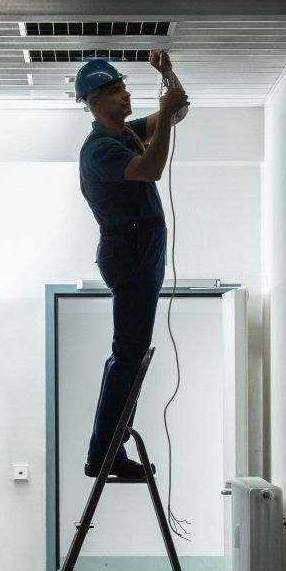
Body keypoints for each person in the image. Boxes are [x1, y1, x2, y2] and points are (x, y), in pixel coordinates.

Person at [76, 50, 189, 478]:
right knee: (127, 356)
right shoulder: (101, 149)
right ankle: (105, 453)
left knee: (130, 353)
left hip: (143, 248)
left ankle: (109, 445)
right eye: (113, 91)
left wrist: (166, 74)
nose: (124, 95)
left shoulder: (124, 133)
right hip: (131, 251)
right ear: (93, 102)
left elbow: (177, 107)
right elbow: (151, 168)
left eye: (123, 87)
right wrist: (161, 115)